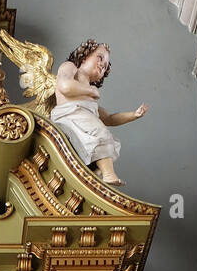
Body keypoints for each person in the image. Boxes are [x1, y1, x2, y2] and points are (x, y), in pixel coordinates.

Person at [50, 40, 148, 186]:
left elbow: (108, 118)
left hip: (82, 116)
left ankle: (94, 173)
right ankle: (108, 174)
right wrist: (90, 90)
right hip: (68, 115)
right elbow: (64, 86)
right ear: (84, 57)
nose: (103, 65)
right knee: (100, 132)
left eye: (106, 66)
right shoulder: (71, 68)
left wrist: (133, 115)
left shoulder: (90, 101)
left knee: (103, 135)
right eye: (100, 58)